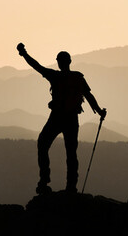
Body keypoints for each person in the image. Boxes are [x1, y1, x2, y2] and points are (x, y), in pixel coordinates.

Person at [16, 43, 107, 194]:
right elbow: (89, 96)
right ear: (70, 62)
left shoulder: (55, 76)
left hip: (57, 117)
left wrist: (23, 53)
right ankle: (71, 186)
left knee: (43, 144)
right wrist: (99, 111)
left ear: (58, 62)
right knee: (71, 153)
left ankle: (44, 180)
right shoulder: (77, 78)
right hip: (72, 119)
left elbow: (36, 66)